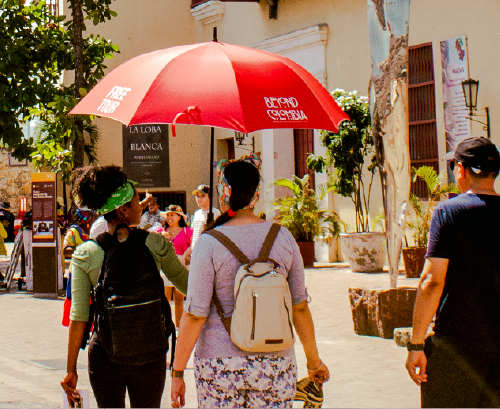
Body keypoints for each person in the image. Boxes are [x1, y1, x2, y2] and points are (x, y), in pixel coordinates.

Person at [170, 159, 330, 409]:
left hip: (219, 364)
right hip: (275, 362)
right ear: (255, 195)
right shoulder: (283, 237)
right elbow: (299, 308)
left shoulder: (209, 243)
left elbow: (194, 316)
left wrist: (177, 371)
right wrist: (314, 362)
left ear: (224, 195)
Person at [404, 137, 500, 408]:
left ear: (460, 169)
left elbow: (432, 281)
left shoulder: (448, 213)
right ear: (495, 172)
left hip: (457, 349)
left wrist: (416, 345)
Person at [61, 165, 189, 409]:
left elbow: (79, 316)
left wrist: (70, 370)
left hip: (105, 355)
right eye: (136, 201)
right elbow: (188, 285)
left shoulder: (86, 253)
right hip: (150, 353)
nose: (141, 205)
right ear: (123, 210)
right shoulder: (155, 243)